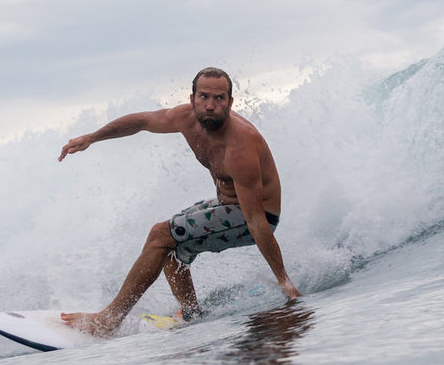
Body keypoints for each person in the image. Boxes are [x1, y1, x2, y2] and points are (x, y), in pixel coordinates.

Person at [57, 67, 301, 336]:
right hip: (230, 206)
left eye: (219, 98)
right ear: (192, 98)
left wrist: (284, 280)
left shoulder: (240, 147)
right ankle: (192, 315)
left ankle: (110, 319)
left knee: (160, 234)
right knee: (172, 249)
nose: (210, 105)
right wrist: (92, 137)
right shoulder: (185, 118)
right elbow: (143, 121)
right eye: (204, 96)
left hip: (258, 216)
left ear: (230, 103)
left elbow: (255, 220)